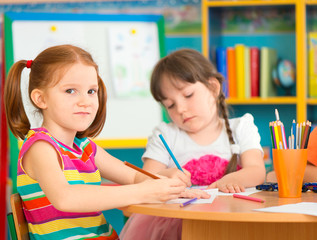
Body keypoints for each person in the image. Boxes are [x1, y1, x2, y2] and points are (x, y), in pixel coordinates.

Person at [4, 45, 208, 240]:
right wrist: (143, 191)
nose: (85, 101)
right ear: (40, 99)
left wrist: (165, 183)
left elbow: (135, 176)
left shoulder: (85, 147)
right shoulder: (41, 147)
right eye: (70, 91)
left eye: (91, 91)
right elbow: (65, 198)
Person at [120, 48, 266, 240]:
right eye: (170, 105)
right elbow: (145, 177)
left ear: (213, 88)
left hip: (233, 219)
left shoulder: (242, 127)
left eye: (188, 95)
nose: (180, 109)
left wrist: (233, 180)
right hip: (176, 222)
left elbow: (257, 171)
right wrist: (166, 176)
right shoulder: (165, 134)